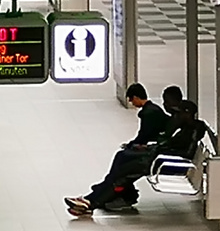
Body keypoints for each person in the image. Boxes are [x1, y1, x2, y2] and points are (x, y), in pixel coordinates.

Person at [66, 83, 177, 215]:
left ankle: (93, 200)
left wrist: (135, 146)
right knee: (119, 169)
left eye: (131, 99)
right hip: (154, 153)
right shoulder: (156, 112)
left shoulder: (149, 113)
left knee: (120, 171)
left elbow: (144, 136)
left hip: (152, 157)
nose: (131, 102)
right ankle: (96, 195)